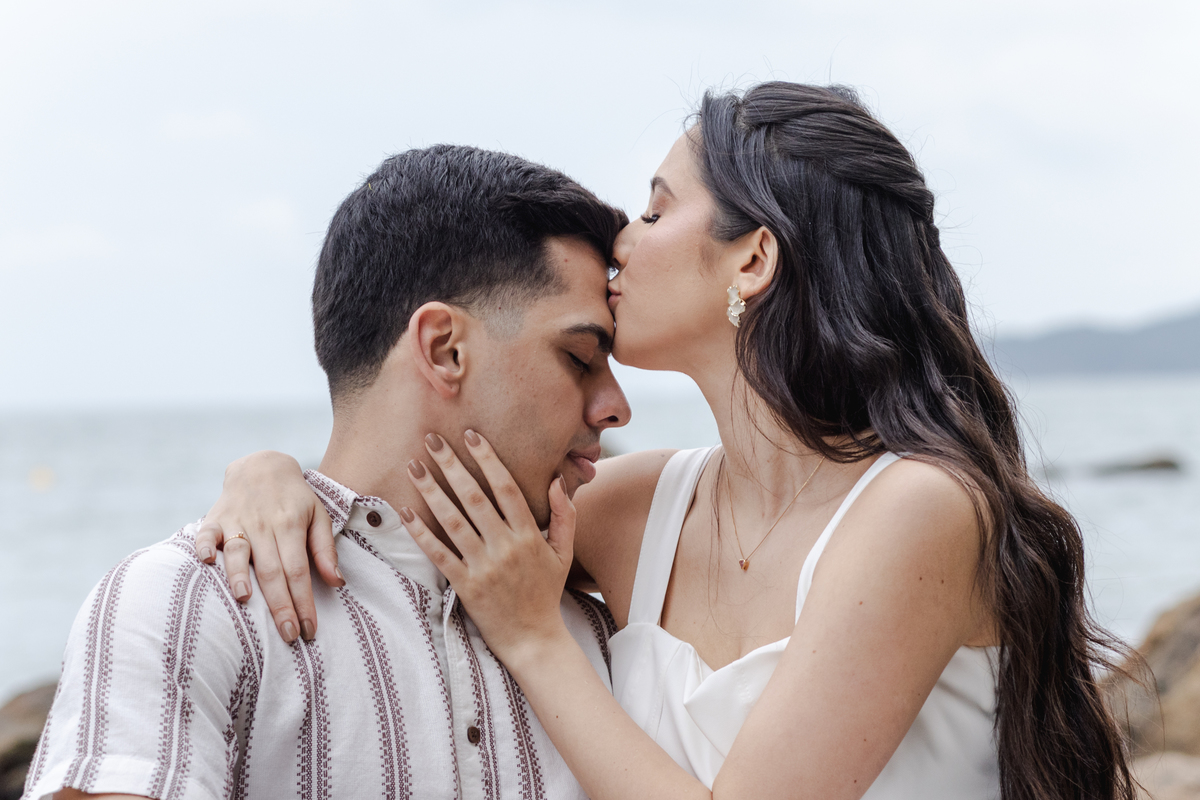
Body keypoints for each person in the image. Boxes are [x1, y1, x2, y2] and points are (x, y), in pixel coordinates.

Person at [196, 83, 1137, 799]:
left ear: (753, 259)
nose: (621, 242)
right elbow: (399, 522)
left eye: (653, 210)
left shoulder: (918, 508)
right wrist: (272, 478)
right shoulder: (632, 508)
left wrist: (536, 639)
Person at [23, 144, 633, 800]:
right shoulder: (188, 608)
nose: (617, 407)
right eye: (579, 358)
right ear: (444, 349)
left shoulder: (607, 635)